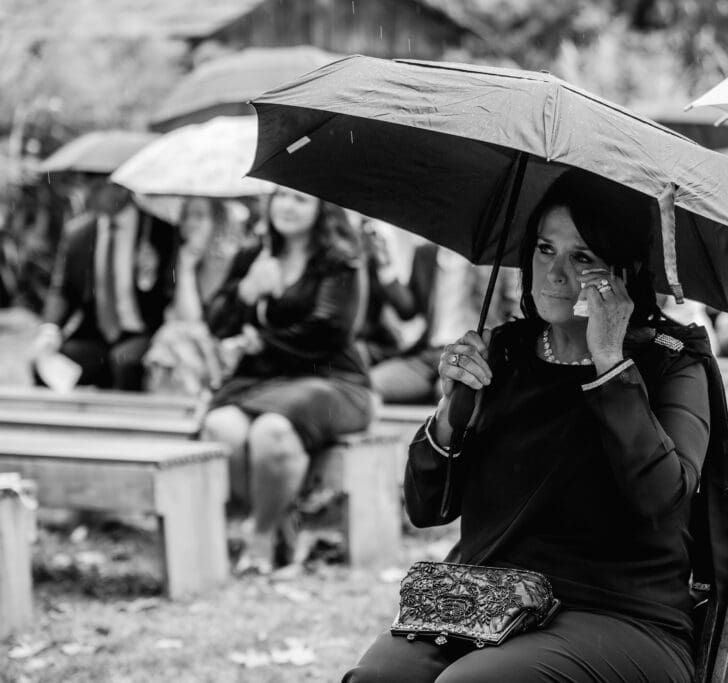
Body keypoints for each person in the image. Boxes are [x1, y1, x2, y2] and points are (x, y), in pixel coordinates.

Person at [345, 169, 728, 682]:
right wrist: (450, 410)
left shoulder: (672, 363)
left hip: (622, 616)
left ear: (625, 272)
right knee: (380, 677)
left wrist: (609, 362)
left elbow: (662, 500)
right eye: (544, 248)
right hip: (490, 604)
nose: (555, 273)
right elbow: (427, 507)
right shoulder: (502, 354)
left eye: (582, 257)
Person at [200, 186, 373, 573]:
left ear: (321, 209)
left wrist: (261, 342)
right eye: (281, 196)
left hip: (334, 382)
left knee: (271, 431)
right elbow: (216, 320)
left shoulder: (340, 262)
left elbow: (328, 332)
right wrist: (247, 291)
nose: (287, 206)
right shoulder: (253, 255)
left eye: (300, 199)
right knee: (221, 427)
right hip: (264, 382)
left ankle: (260, 540)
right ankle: (282, 523)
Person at [31, 181, 176, 390]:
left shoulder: (161, 232)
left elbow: (171, 290)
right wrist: (50, 329)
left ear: (122, 188)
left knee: (126, 364)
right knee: (45, 363)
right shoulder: (78, 234)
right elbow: (63, 289)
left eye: (98, 186)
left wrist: (153, 274)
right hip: (95, 335)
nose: (89, 192)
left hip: (143, 334)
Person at [368, 236, 519, 405]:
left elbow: (511, 311)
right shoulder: (425, 253)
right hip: (427, 357)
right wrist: (385, 265)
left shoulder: (494, 259)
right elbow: (408, 311)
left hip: (469, 355)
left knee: (451, 395)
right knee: (373, 382)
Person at [143, 196, 251, 395]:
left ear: (218, 221)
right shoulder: (183, 260)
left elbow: (195, 322)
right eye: (187, 216)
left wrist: (185, 267)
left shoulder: (238, 260)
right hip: (189, 352)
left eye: (200, 216)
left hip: (227, 350)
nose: (190, 223)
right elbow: (184, 319)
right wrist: (185, 268)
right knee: (172, 340)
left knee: (171, 340)